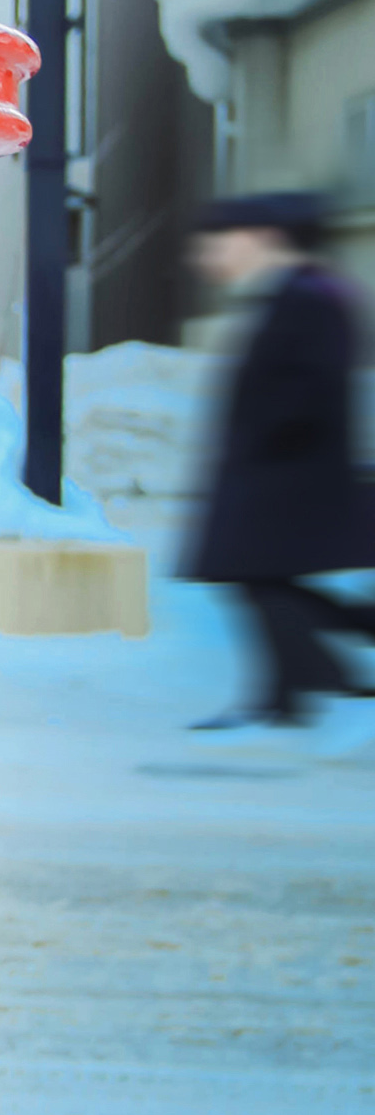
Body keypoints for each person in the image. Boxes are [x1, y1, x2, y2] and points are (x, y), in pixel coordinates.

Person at [184, 190, 375, 728]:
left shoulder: (311, 296)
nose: (207, 258)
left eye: (218, 243)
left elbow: (311, 387)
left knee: (264, 583)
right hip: (281, 477)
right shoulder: (297, 293)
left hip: (288, 480)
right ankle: (288, 695)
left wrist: (267, 440)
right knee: (266, 585)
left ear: (262, 240)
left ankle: (300, 689)